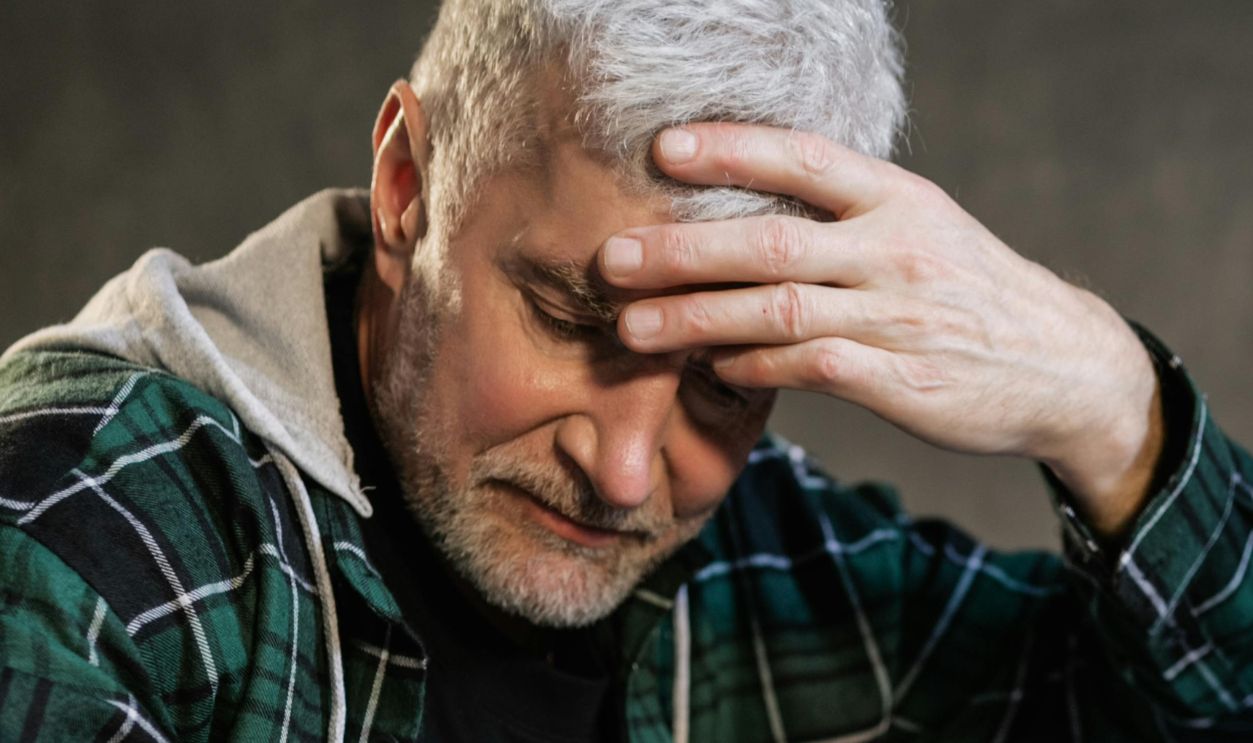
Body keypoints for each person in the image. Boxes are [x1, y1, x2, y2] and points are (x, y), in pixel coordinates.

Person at [0, 0, 1249, 740]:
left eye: (724, 380)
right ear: (405, 187)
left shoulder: (770, 559)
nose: (625, 468)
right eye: (576, 321)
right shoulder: (82, 542)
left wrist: (1110, 403)